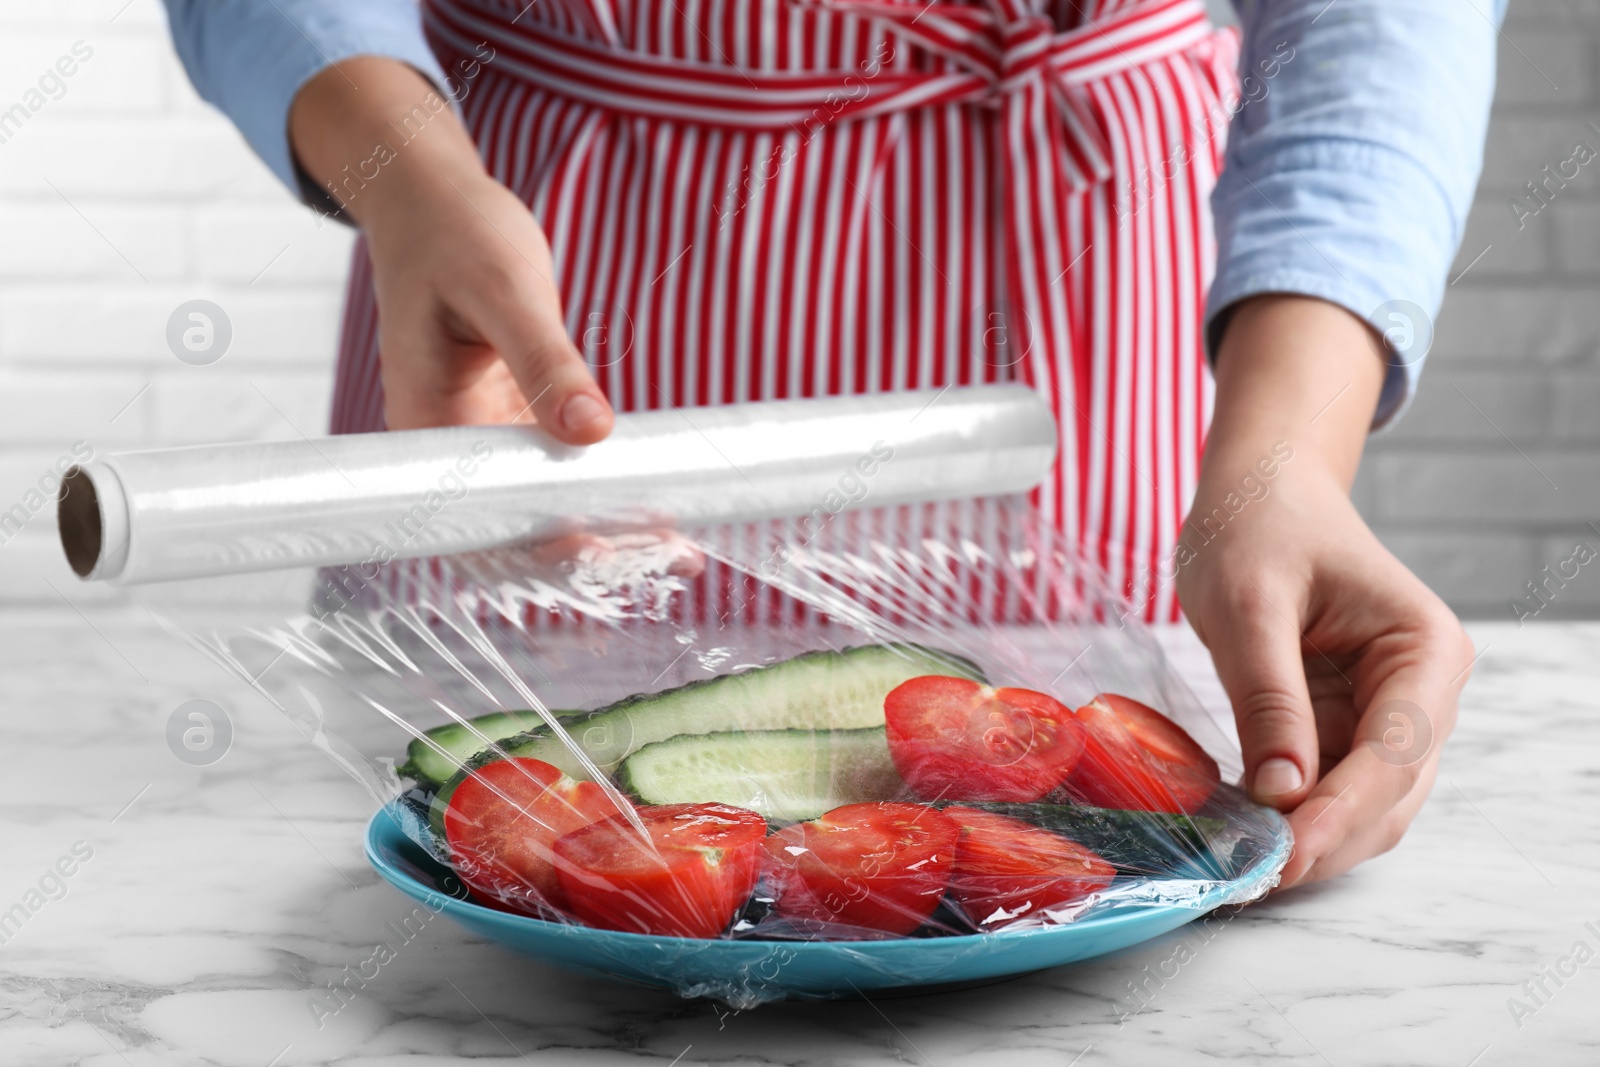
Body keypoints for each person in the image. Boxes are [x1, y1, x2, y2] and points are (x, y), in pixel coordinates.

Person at [163, 0, 1498, 889]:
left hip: (1080, 250)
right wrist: (402, 171)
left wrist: (1292, 452)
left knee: (1080, 876)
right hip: (523, 254)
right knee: (454, 884)